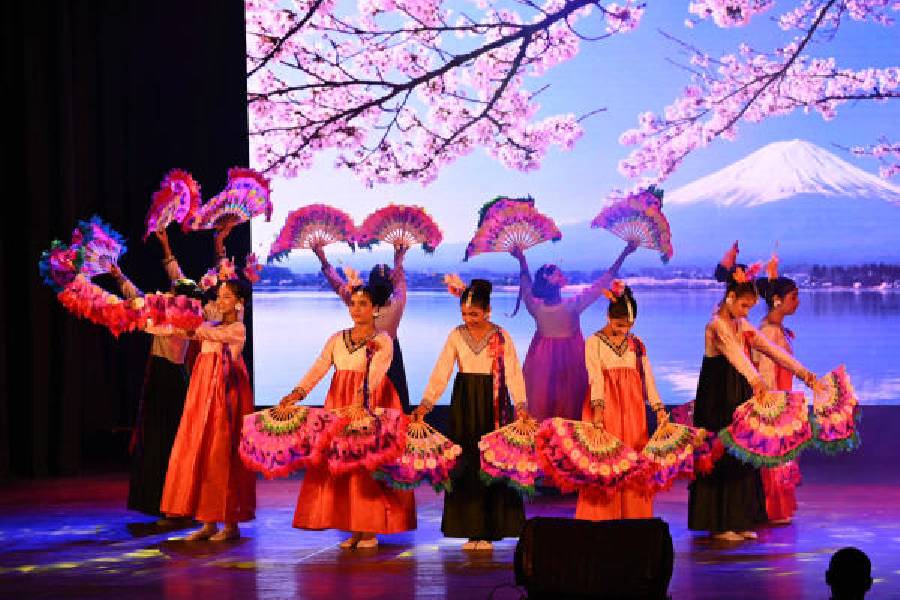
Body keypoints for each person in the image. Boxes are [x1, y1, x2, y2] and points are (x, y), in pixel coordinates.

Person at [688, 247, 818, 542]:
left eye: (750, 307)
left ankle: (740, 517)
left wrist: (807, 376)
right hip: (718, 394)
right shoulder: (716, 325)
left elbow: (771, 351)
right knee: (722, 454)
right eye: (745, 306)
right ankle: (720, 523)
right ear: (731, 298)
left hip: (740, 391)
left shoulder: (740, 324)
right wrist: (758, 382)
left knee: (743, 455)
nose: (748, 312)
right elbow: (736, 356)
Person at [279, 284, 416, 550]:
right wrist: (297, 393)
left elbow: (376, 373)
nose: (357, 309)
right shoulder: (337, 338)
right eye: (353, 303)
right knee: (342, 465)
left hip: (370, 403)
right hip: (339, 405)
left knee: (367, 464)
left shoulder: (383, 339)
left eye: (363, 303)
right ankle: (352, 527)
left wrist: (360, 401)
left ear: (375, 309)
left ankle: (369, 529)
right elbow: (319, 366)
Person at [414, 279, 529, 552]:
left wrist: (521, 405)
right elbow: (442, 370)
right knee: (465, 463)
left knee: (490, 463)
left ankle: (489, 530)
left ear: (487, 310)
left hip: (493, 402)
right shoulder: (456, 335)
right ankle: (470, 530)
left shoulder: (501, 336)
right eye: (465, 314)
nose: (469, 319)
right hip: (465, 402)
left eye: (474, 314)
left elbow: (513, 372)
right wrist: (426, 404)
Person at [108, 229, 198, 523]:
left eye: (175, 294)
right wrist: (119, 277)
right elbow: (141, 298)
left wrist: (134, 312)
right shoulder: (165, 309)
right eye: (171, 292)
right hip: (159, 378)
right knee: (155, 442)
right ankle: (157, 501)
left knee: (169, 443)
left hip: (172, 380)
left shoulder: (184, 319)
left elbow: (148, 316)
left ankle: (176, 503)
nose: (169, 294)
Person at [160, 279, 256, 541]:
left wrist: (183, 327)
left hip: (224, 394)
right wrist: (163, 326)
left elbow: (203, 334)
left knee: (220, 453)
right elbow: (194, 333)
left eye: (226, 297)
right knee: (200, 450)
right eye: (219, 296)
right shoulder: (212, 325)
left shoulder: (237, 328)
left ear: (239, 303)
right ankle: (207, 520)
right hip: (202, 394)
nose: (220, 301)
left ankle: (229, 522)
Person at [509, 242, 636, 420]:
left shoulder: (536, 307)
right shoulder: (572, 306)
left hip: (541, 359)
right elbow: (604, 281)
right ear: (555, 283)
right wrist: (625, 253)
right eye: (557, 274)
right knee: (570, 404)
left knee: (541, 402)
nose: (561, 274)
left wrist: (522, 260)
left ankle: (543, 441)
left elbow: (526, 284)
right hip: (571, 358)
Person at [577, 283, 668, 520]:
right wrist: (598, 411)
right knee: (604, 460)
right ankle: (600, 516)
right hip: (605, 405)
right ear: (608, 317)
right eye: (619, 325)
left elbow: (647, 376)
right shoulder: (594, 342)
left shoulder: (636, 344)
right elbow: (595, 376)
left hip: (633, 407)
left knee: (633, 459)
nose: (623, 330)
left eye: (628, 326)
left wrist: (658, 408)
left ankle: (633, 516)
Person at [313, 241, 411, 411]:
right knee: (393, 408)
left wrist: (323, 259)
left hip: (363, 354)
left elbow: (338, 284)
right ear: (390, 287)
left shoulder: (359, 302)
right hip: (391, 357)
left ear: (370, 286)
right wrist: (399, 259)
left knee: (362, 408)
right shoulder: (398, 304)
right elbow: (400, 281)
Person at [754, 257, 803, 525]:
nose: (796, 302)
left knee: (780, 455)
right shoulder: (768, 332)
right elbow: (766, 371)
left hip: (783, 397)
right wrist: (773, 406)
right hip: (775, 399)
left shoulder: (777, 329)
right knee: (772, 455)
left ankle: (777, 507)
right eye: (793, 297)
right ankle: (770, 507)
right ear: (778, 300)